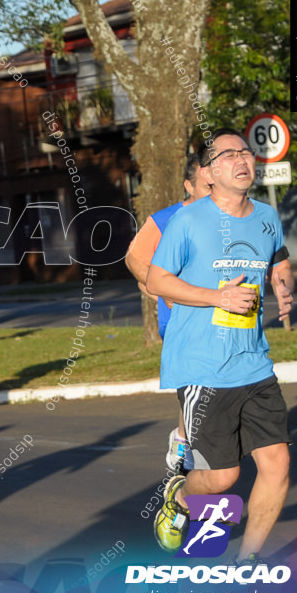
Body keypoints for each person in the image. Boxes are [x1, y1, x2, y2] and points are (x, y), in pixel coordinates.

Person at [148, 129, 294, 565]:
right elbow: (157, 281)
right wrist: (218, 296)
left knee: (277, 465)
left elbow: (279, 259)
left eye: (246, 152)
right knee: (221, 478)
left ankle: (247, 560)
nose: (242, 159)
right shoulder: (189, 220)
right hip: (202, 367)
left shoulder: (267, 216)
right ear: (210, 172)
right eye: (228, 154)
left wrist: (283, 287)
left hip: (254, 362)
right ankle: (178, 495)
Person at [125, 154, 211, 471]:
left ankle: (187, 438)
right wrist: (157, 286)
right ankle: (187, 447)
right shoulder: (168, 218)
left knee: (212, 389)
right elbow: (134, 258)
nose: (213, 188)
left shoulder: (229, 217)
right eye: (206, 184)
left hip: (225, 320)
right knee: (196, 387)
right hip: (182, 323)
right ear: (189, 185)